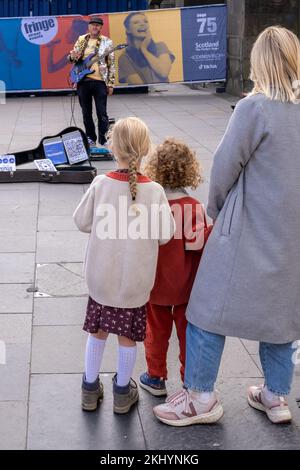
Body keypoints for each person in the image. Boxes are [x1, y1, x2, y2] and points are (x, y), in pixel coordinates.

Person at [153, 26, 300, 426]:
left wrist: (216, 210)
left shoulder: (255, 108)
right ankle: (276, 396)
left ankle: (200, 398)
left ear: (259, 62)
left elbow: (224, 166)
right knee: (281, 315)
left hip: (249, 225)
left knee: (205, 310)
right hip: (293, 234)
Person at [73, 117, 175, 414]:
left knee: (97, 333)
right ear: (145, 149)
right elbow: (166, 234)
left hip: (100, 280)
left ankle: (89, 390)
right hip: (135, 283)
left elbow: (81, 221)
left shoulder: (101, 183)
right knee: (128, 337)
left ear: (112, 147)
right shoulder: (154, 191)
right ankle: (122, 392)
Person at [139, 138, 211, 396]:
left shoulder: (151, 206)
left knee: (156, 332)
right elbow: (196, 243)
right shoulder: (193, 208)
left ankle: (155, 377)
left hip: (155, 285)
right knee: (186, 334)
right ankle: (189, 379)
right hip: (186, 289)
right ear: (190, 170)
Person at [68, 17, 115, 147]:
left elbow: (111, 64)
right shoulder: (82, 39)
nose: (95, 27)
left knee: (102, 113)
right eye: (93, 25)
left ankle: (104, 139)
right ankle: (90, 138)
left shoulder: (107, 42)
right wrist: (73, 56)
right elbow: (73, 59)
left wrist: (111, 84)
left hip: (100, 82)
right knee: (86, 113)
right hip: (83, 81)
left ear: (101, 28)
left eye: (98, 25)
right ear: (89, 27)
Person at [118, 12, 175, 85]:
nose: (142, 24)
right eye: (136, 22)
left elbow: (163, 72)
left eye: (145, 21)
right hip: (144, 96)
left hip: (165, 93)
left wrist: (144, 50)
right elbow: (139, 86)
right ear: (128, 30)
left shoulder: (160, 46)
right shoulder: (124, 58)